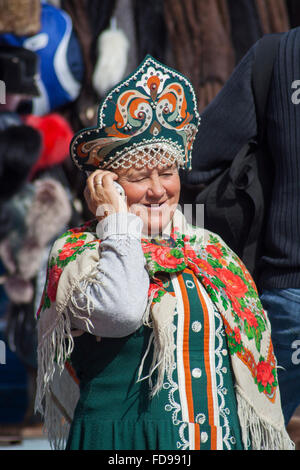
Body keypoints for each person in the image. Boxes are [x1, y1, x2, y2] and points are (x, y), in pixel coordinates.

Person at [35, 55, 293, 451]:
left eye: (167, 172)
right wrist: (116, 221)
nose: (158, 189)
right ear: (107, 184)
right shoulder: (79, 256)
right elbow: (121, 312)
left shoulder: (210, 252)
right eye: (139, 176)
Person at [183, 27, 300, 427]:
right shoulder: (276, 56)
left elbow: (198, 159)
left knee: (256, 432)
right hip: (289, 294)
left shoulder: (278, 55)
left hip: (289, 294)